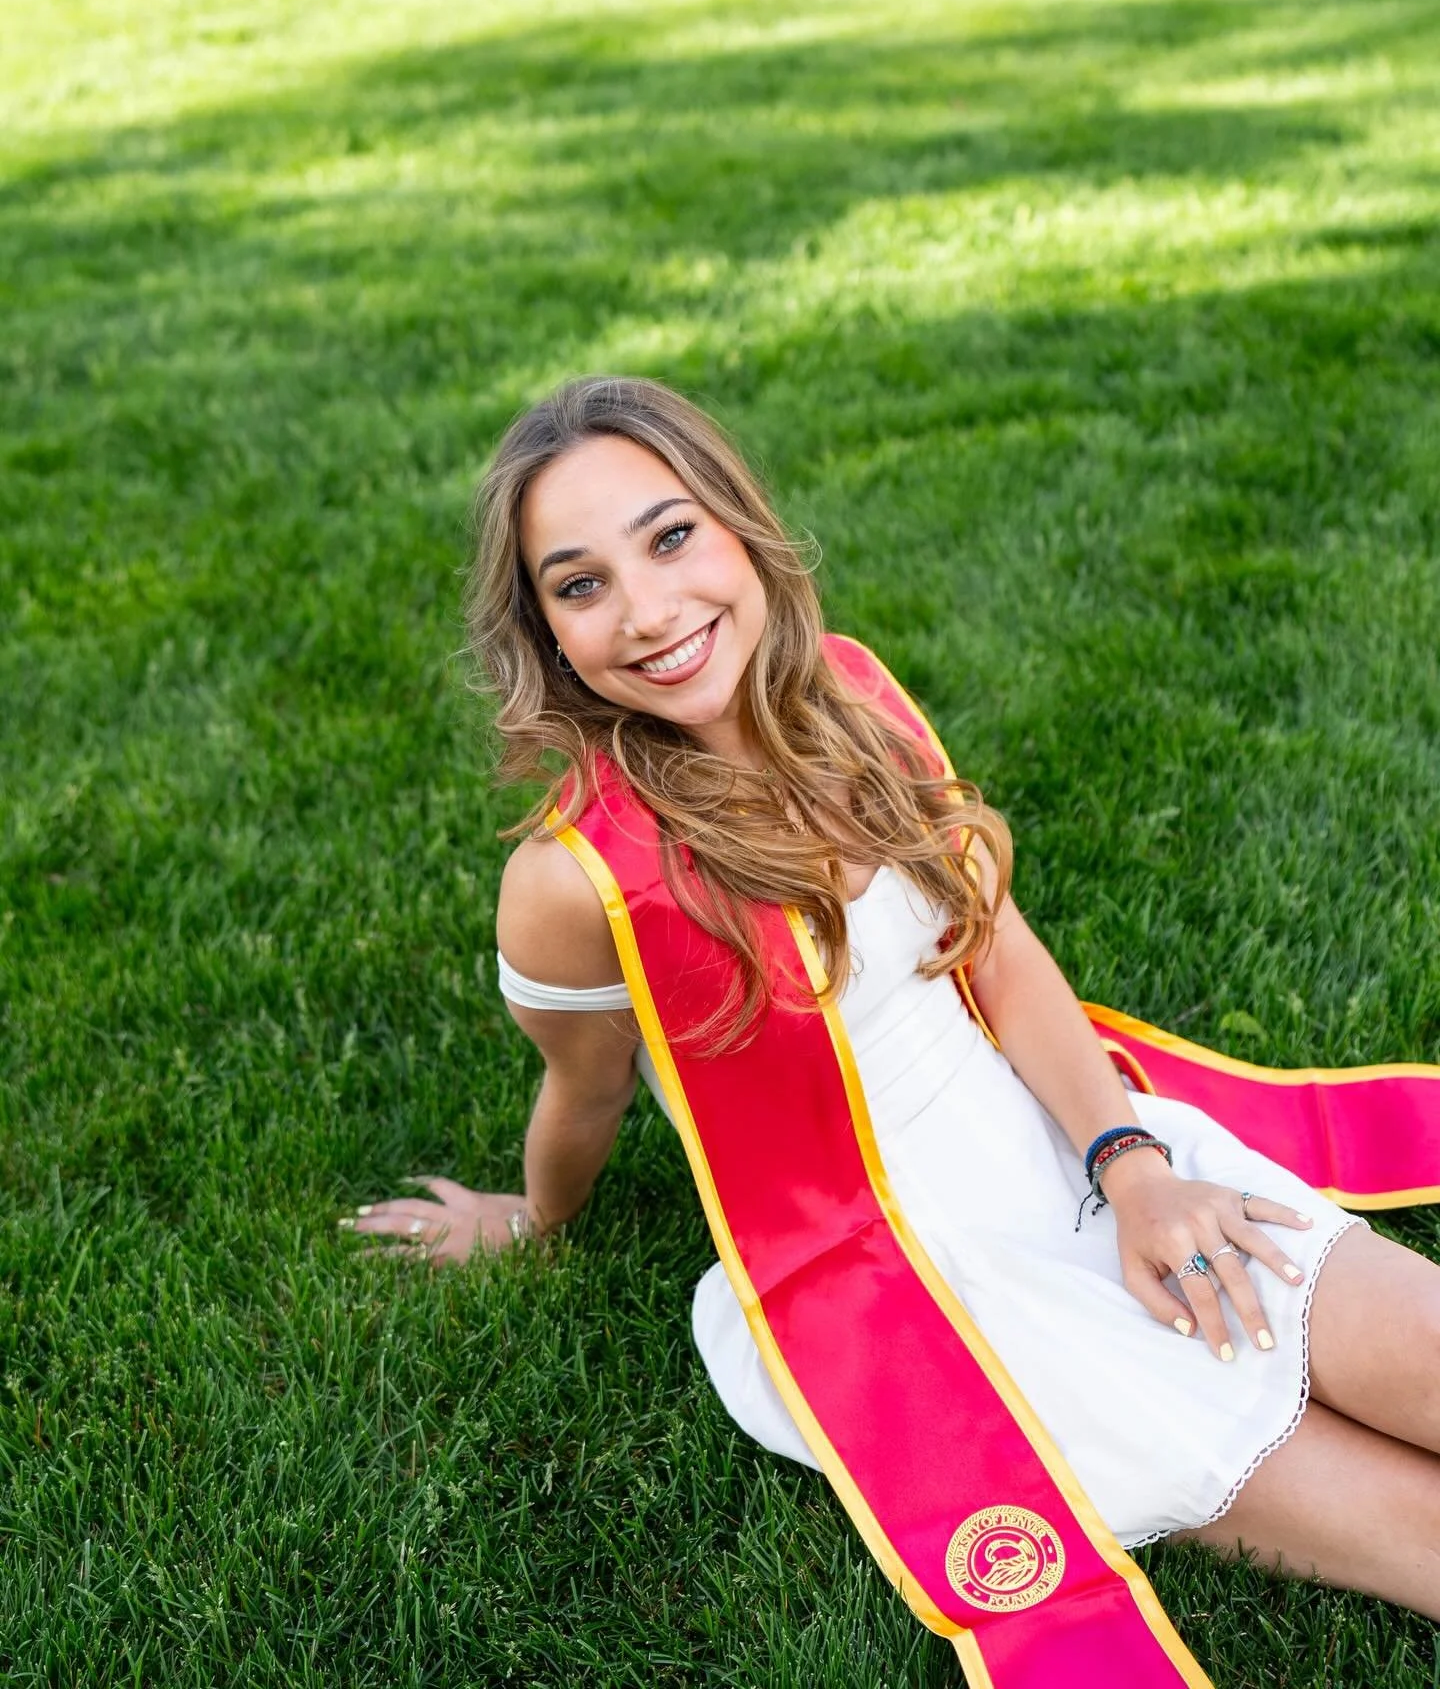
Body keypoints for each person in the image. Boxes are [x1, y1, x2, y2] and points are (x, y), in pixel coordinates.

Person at [347, 375, 1440, 1626]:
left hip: (1062, 1131)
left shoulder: (850, 698)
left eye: (672, 536)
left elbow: (997, 950)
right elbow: (583, 1090)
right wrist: (538, 1219)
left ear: (742, 526)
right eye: (581, 584)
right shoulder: (573, 879)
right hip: (911, 1276)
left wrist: (1133, 1168)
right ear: (544, 632)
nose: (647, 611)